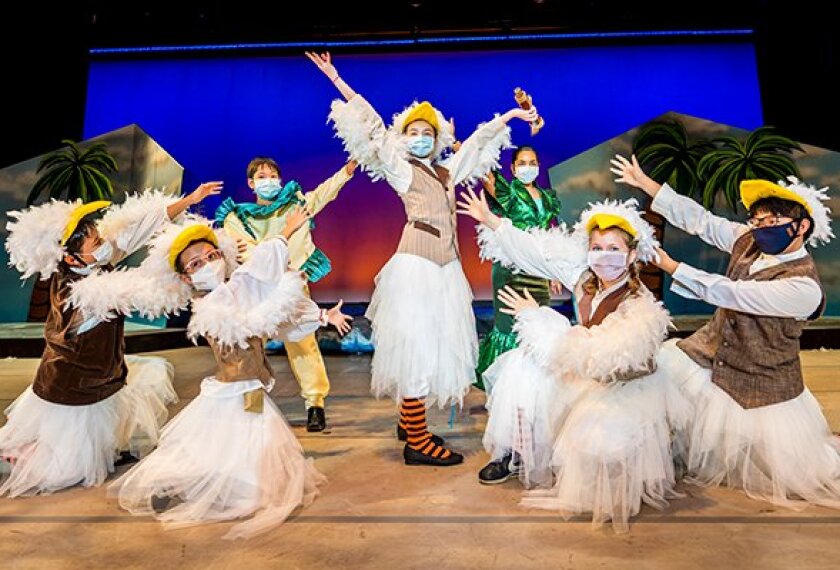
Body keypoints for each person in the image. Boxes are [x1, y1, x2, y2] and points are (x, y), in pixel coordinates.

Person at [307, 50, 537, 466]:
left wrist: (512, 117)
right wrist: (337, 79)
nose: (419, 137)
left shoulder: (447, 172)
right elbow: (374, 127)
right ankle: (416, 440)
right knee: (416, 350)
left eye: (426, 133)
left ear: (437, 138)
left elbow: (481, 141)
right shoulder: (402, 169)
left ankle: (406, 421)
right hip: (416, 269)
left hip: (446, 270)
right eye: (412, 131)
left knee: (432, 348)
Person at [611, 153, 840, 510]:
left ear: (802, 226)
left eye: (773, 219)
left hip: (761, 378)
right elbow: (702, 222)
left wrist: (672, 266)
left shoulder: (803, 286)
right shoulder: (749, 239)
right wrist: (649, 187)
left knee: (790, 472)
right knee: (659, 374)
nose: (762, 226)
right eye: (757, 218)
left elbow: (735, 294)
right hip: (710, 350)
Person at [109, 208, 352, 539]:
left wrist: (322, 317)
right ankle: (192, 483)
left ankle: (194, 481)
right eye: (196, 264)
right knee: (241, 448)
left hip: (243, 386)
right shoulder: (217, 299)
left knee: (229, 445)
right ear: (185, 278)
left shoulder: (229, 293)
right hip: (238, 389)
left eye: (211, 256)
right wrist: (285, 232)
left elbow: (275, 316)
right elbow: (255, 277)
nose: (208, 264)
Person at [458, 188, 687, 532]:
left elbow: (595, 356)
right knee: (520, 366)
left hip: (621, 389)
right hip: (584, 373)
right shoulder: (584, 279)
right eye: (597, 249)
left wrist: (538, 318)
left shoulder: (639, 306)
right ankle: (516, 452)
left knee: (597, 449)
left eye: (614, 250)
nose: (604, 257)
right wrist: (494, 221)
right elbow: (538, 253)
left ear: (631, 255)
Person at [0, 183, 221, 496]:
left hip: (103, 372)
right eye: (96, 241)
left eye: (100, 236)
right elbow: (138, 289)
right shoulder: (81, 293)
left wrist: (189, 200)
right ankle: (26, 453)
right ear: (72, 259)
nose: (104, 243)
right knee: (66, 470)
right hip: (73, 384)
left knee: (104, 431)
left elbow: (135, 231)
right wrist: (188, 280)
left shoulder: (93, 260)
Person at [216, 156, 357, 432]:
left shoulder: (295, 205)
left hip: (293, 287)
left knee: (303, 344)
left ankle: (315, 404)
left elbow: (321, 196)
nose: (268, 181)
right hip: (257, 289)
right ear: (251, 183)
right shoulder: (236, 218)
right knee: (249, 348)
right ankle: (249, 405)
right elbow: (244, 250)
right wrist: (278, 256)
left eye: (272, 176)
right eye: (261, 177)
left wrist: (346, 172)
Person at [474, 145, 561, 388]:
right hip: (510, 272)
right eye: (522, 163)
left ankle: (535, 387)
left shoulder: (547, 198)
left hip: (538, 271)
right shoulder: (507, 192)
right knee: (510, 329)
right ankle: (506, 389)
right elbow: (487, 174)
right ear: (513, 168)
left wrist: (553, 270)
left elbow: (546, 235)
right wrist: (464, 146)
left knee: (538, 326)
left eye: (532, 162)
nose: (528, 167)